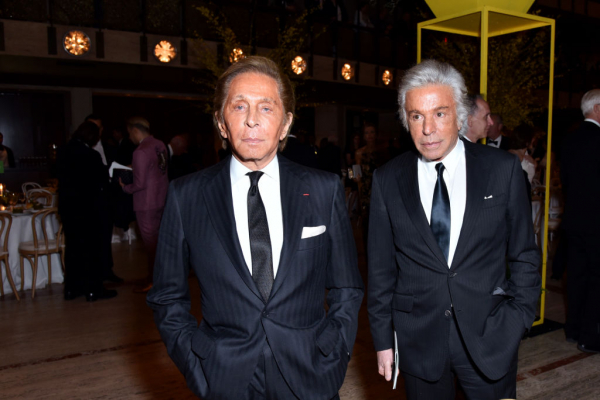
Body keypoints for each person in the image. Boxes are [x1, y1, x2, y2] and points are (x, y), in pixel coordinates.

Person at [147, 56, 363, 400]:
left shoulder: (323, 189)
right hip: (224, 376)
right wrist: (197, 366)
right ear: (221, 123)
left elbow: (346, 287)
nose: (252, 120)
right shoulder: (186, 196)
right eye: (239, 107)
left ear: (285, 123)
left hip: (311, 373)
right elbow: (167, 297)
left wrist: (334, 352)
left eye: (266, 108)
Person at [368, 60, 541, 399]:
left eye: (440, 113)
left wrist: (518, 318)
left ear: (460, 116)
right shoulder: (388, 179)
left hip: (491, 336)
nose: (427, 128)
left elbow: (524, 254)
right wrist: (383, 340)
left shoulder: (502, 169)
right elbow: (380, 270)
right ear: (406, 120)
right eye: (416, 116)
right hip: (419, 341)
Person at [57, 122, 117, 301]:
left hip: (68, 208)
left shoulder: (63, 151)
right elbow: (101, 181)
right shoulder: (91, 155)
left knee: (73, 249)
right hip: (88, 209)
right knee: (92, 250)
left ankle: (72, 289)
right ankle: (93, 289)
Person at [561, 89, 600, 354]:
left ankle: (573, 328)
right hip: (596, 222)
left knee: (575, 276)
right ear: (596, 109)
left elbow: (566, 181)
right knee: (596, 279)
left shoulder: (569, 139)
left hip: (573, 219)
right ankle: (589, 336)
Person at [120, 117, 169, 293]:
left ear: (135, 130)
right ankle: (160, 278)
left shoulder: (140, 151)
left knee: (150, 245)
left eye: (129, 133)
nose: (130, 137)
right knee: (159, 243)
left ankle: (154, 281)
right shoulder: (160, 145)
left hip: (146, 204)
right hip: (161, 198)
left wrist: (124, 187)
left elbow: (139, 184)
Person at [84, 115, 121, 283]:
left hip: (106, 198)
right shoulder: (82, 149)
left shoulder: (109, 147)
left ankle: (107, 270)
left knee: (106, 235)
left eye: (97, 127)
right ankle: (93, 274)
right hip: (89, 200)